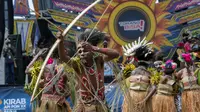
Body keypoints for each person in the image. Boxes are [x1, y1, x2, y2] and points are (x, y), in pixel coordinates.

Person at [57, 29, 119, 112]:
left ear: (91, 50)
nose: (82, 53)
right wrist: (60, 42)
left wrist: (95, 48)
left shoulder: (99, 60)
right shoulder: (77, 64)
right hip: (84, 105)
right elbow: (63, 58)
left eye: (85, 50)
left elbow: (116, 54)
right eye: (79, 51)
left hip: (100, 104)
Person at [25, 37, 72, 112]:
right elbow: (72, 87)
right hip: (57, 103)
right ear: (63, 53)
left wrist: (38, 55)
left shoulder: (45, 67)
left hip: (46, 103)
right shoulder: (65, 68)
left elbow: (27, 70)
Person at [122, 37, 154, 112]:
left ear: (135, 59)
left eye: (131, 58)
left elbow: (154, 88)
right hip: (132, 98)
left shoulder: (148, 73)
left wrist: (145, 100)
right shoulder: (131, 72)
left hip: (141, 99)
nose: (130, 60)